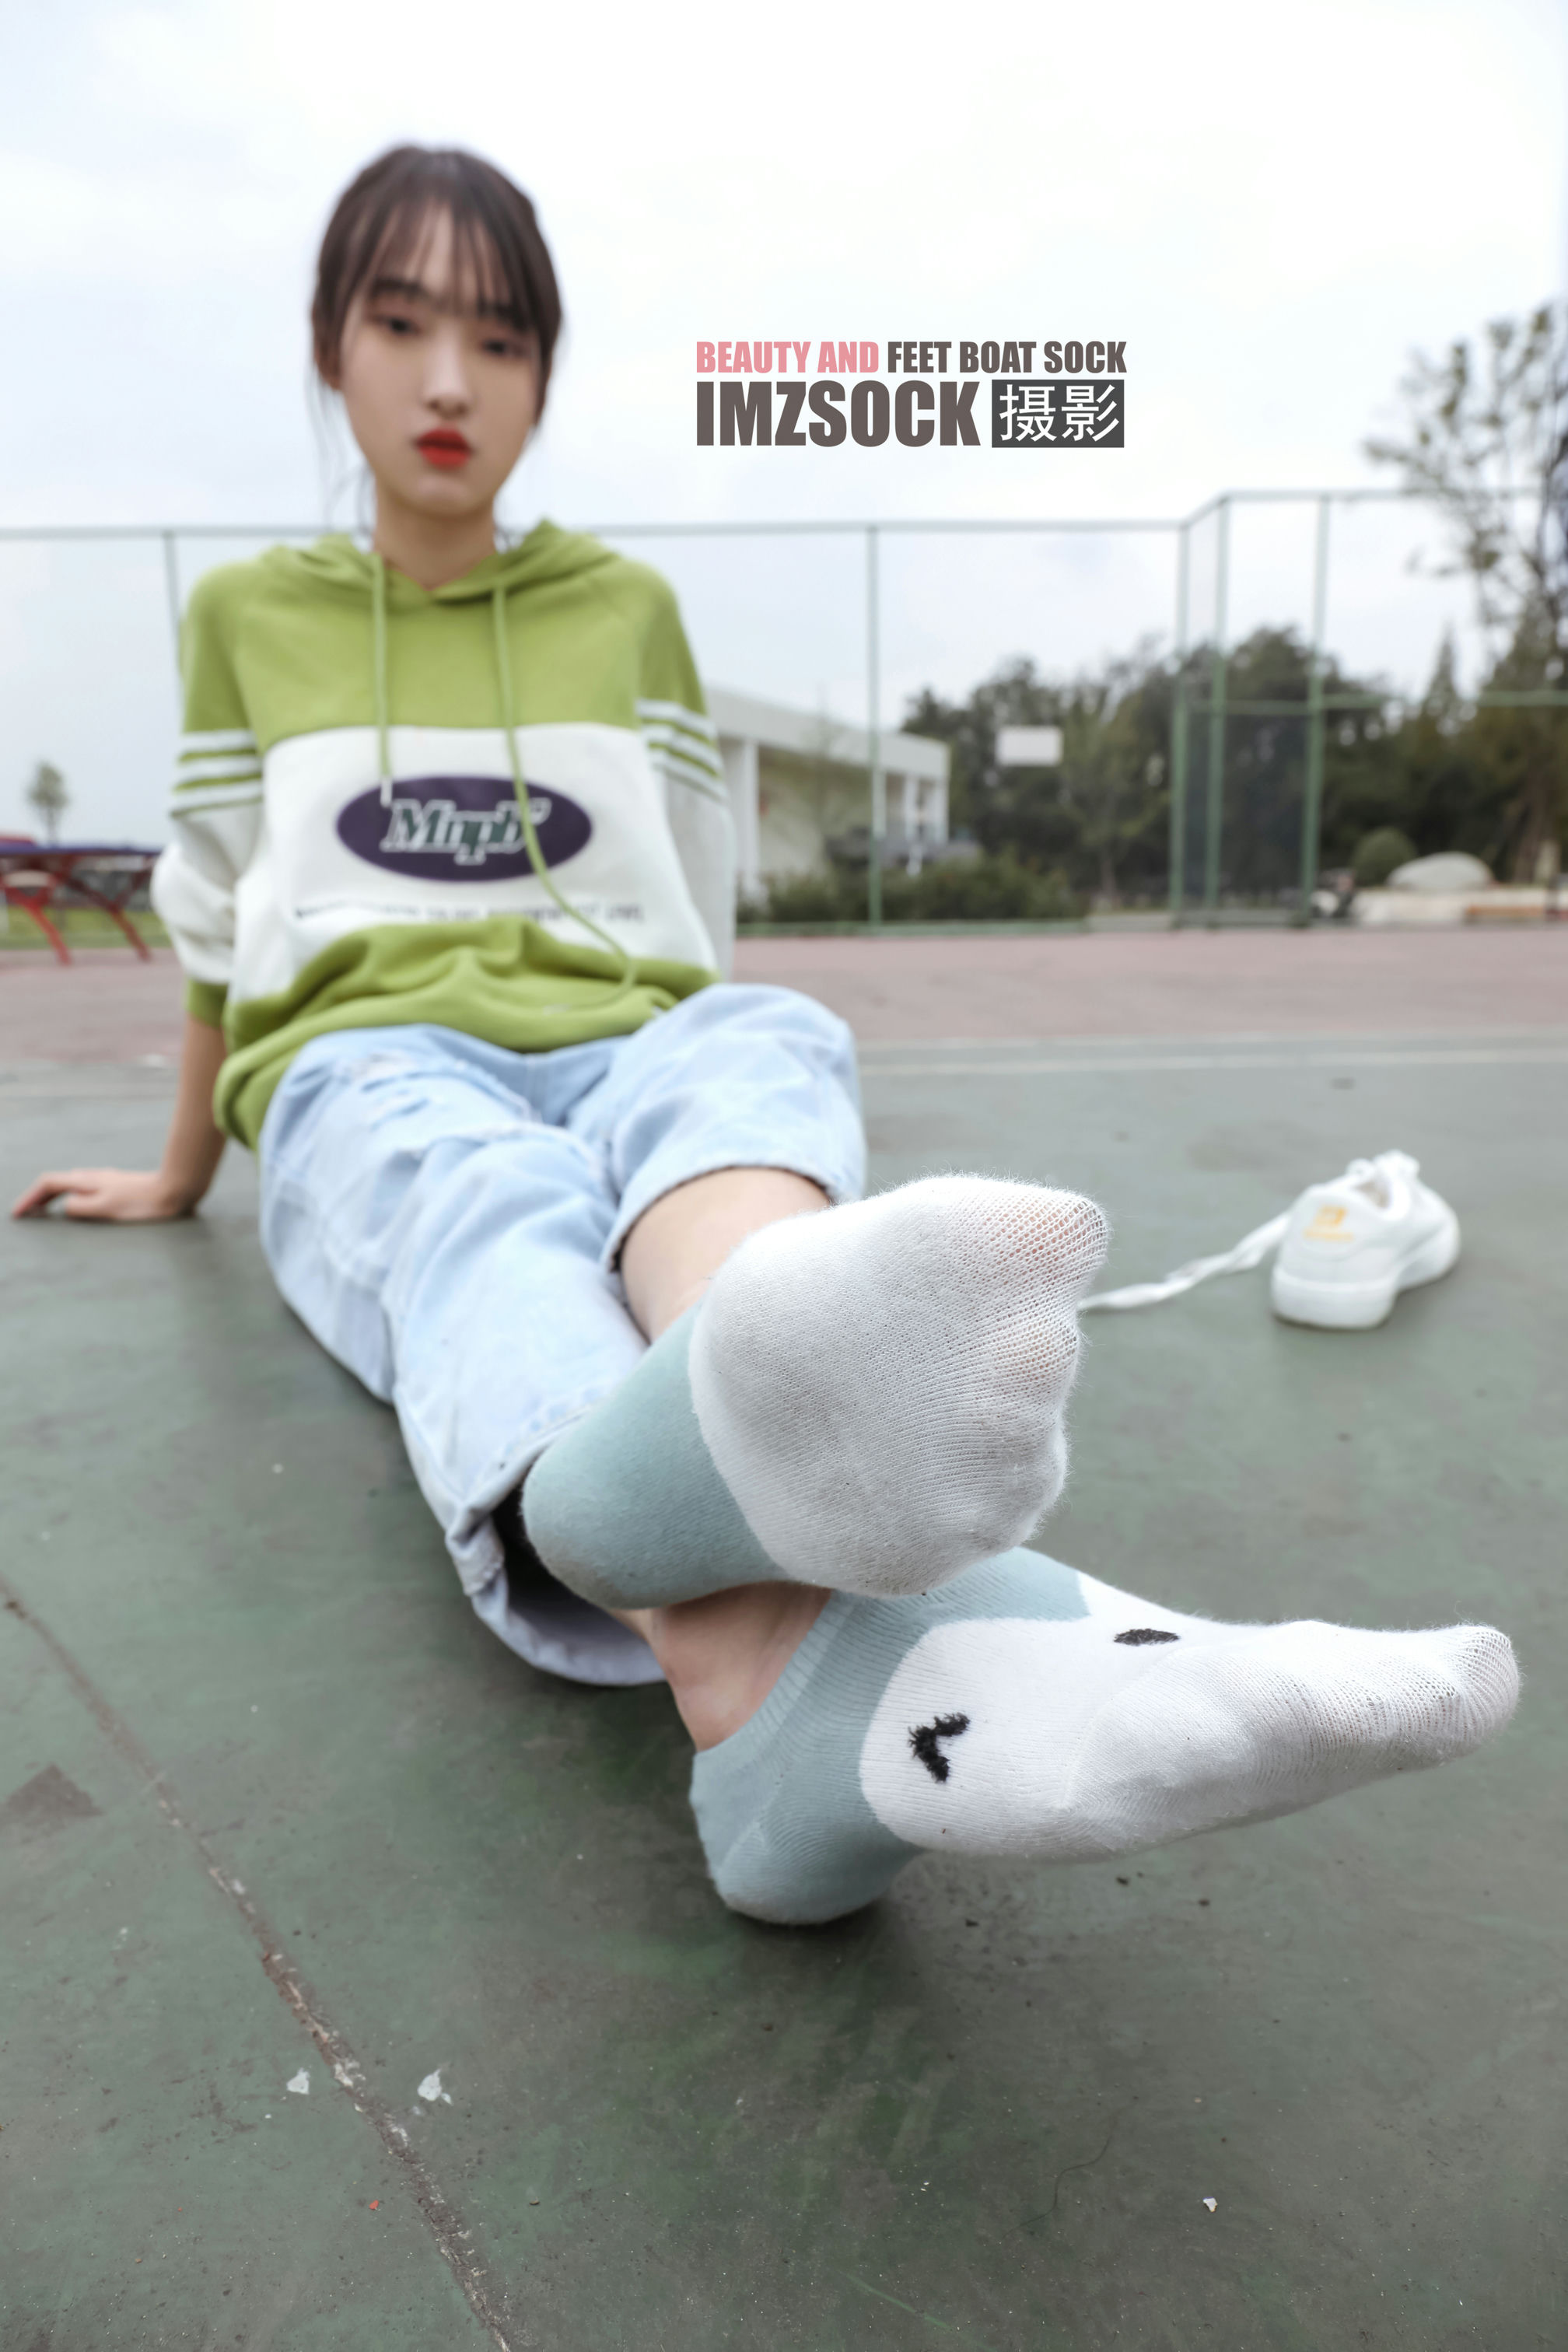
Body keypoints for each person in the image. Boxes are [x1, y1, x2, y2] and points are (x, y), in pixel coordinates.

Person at [12, 146, 1518, 1925]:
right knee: (475, 1194)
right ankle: (779, 1645)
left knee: (754, 1040)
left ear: (545, 372)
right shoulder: (244, 620)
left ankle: (747, 1452)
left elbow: (690, 909)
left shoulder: (623, 611)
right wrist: (183, 1168)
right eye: (401, 324)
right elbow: (216, 923)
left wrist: (682, 1065)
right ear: (329, 345)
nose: (448, 381)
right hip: (373, 1047)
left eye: (500, 339)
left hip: (624, 1029)